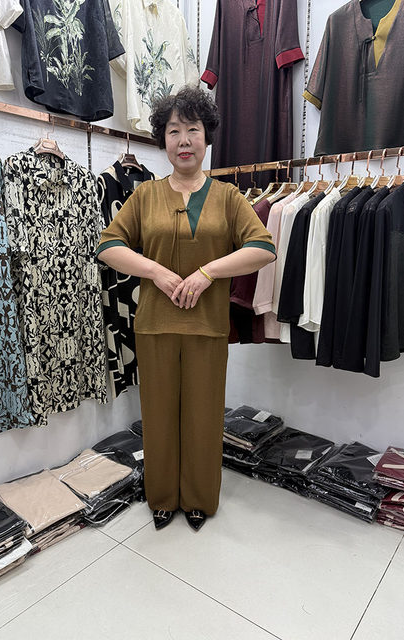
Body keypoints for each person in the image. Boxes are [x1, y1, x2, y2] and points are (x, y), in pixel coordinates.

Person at [97, 86, 275, 531]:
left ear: (206, 136)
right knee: (158, 415)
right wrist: (155, 272)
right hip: (154, 326)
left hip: (207, 326)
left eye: (192, 130)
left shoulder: (229, 198)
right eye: (174, 131)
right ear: (163, 139)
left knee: (203, 415)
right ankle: (161, 496)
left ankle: (198, 497)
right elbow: (109, 246)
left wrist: (208, 273)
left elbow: (263, 248)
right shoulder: (145, 196)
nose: (183, 140)